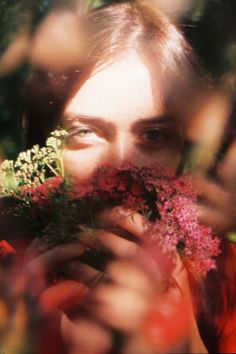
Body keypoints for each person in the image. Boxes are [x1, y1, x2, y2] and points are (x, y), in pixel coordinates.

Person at [16, 1, 236, 353]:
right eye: (85, 131)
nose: (120, 166)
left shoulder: (226, 275)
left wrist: (185, 345)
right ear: (47, 140)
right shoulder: (8, 258)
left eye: (153, 135)